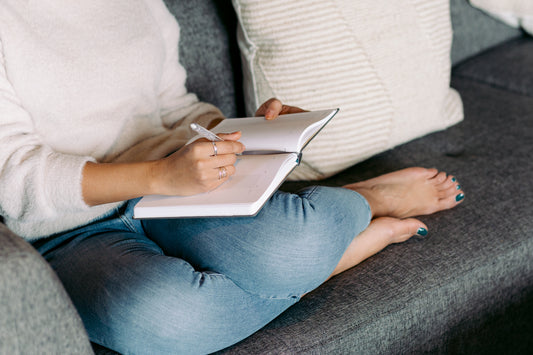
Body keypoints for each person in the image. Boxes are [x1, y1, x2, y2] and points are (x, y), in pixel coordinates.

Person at [0, 1, 464, 354]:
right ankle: (346, 247)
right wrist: (161, 175)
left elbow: (179, 109)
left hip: (178, 189)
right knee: (163, 317)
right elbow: (14, 177)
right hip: (68, 229)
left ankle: (358, 202)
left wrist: (252, 134)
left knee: (300, 239)